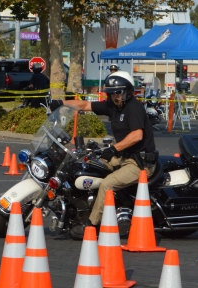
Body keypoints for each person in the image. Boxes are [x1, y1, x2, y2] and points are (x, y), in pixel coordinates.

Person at [62, 70, 156, 229]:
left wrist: (113, 149)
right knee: (88, 165)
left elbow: (137, 135)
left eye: (118, 93)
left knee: (106, 184)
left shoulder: (134, 107)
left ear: (128, 91)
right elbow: (85, 105)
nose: (114, 96)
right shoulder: (113, 106)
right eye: (111, 93)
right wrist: (60, 103)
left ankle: (91, 224)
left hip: (140, 163)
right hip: (122, 157)